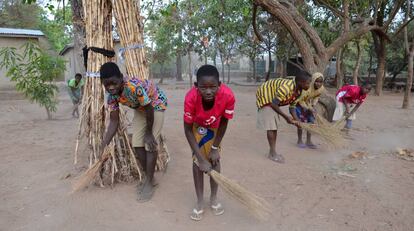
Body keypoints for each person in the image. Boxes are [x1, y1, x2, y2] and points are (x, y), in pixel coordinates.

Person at [99, 62, 168, 202]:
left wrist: (149, 133)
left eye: (114, 83)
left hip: (155, 104)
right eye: (107, 85)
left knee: (150, 144)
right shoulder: (112, 97)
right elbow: (114, 121)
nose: (111, 87)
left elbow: (149, 107)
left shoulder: (133, 87)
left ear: (121, 77)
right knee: (137, 144)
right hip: (142, 109)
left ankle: (149, 182)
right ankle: (150, 178)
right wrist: (104, 143)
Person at [183, 65, 235, 221]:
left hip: (215, 125)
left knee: (214, 159)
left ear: (219, 84)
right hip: (196, 126)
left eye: (213, 87)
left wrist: (214, 148)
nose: (208, 91)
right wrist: (199, 159)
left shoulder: (228, 96)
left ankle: (213, 198)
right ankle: (200, 201)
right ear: (195, 86)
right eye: (203, 87)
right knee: (197, 162)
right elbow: (187, 130)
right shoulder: (190, 97)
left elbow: (224, 123)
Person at [256, 70, 311, 163]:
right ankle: (272, 153)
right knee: (271, 126)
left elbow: (292, 106)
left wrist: (297, 120)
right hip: (265, 97)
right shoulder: (286, 87)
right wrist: (286, 118)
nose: (309, 86)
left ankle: (272, 152)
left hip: (273, 101)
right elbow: (273, 104)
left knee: (274, 127)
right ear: (301, 82)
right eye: (308, 83)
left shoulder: (299, 91)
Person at [290, 72, 325, 149]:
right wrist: (307, 108)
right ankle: (299, 140)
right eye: (316, 81)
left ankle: (308, 141)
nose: (318, 84)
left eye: (320, 82)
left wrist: (312, 106)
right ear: (313, 80)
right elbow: (300, 100)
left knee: (311, 121)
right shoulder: (307, 87)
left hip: (308, 104)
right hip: (299, 104)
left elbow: (316, 97)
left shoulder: (321, 89)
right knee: (300, 122)